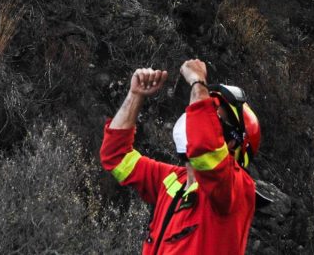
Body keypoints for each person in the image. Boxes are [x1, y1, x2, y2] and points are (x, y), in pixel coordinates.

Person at [100, 59, 259, 254]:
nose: (195, 114)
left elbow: (204, 146)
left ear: (231, 142)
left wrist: (198, 82)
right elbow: (116, 156)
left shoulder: (236, 190)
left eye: (212, 113)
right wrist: (135, 95)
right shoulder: (173, 181)